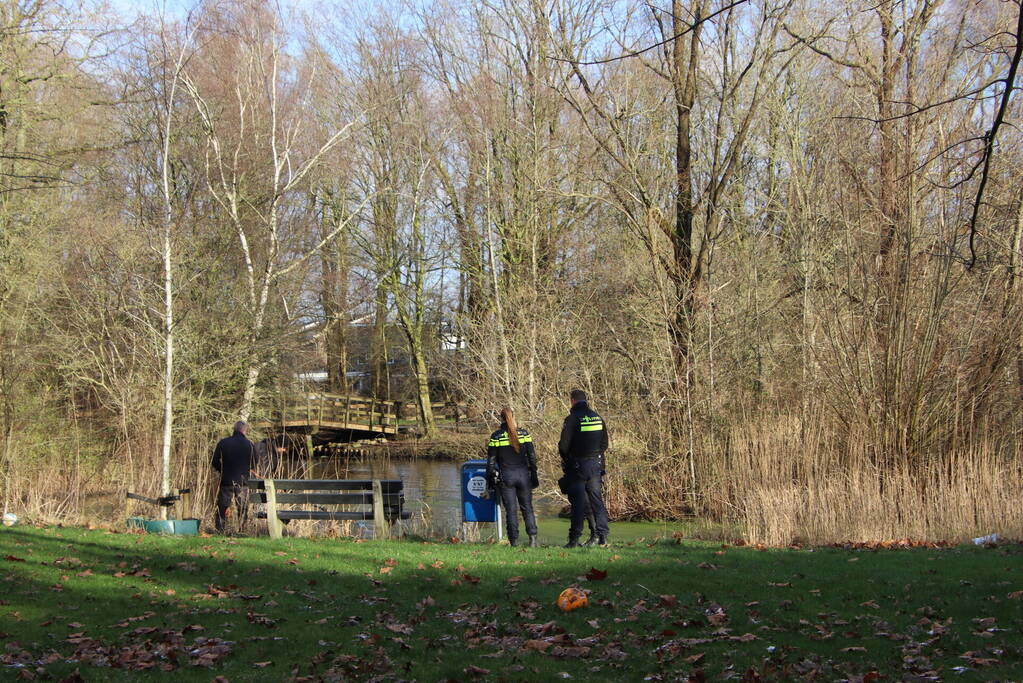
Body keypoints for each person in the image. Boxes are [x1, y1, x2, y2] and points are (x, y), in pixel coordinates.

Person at [559, 389, 610, 548]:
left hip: (578, 466)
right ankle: (602, 537)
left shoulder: (572, 419)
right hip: (595, 465)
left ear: (572, 401)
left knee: (578, 503)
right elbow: (604, 444)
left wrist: (568, 458)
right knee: (596, 501)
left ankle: (574, 539)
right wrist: (595, 456)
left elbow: (564, 446)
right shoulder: (597, 417)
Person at [486, 407, 539, 547]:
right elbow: (532, 457)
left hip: (506, 477)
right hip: (523, 476)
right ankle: (533, 539)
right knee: (527, 508)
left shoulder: (496, 436)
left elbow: (491, 461)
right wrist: (534, 475)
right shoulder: (524, 434)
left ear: (501, 418)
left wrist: (490, 482)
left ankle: (514, 541)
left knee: (511, 510)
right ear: (513, 417)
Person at [212, 421, 257, 533]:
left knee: (222, 506)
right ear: (245, 430)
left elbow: (214, 461)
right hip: (243, 482)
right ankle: (242, 530)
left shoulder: (223, 443)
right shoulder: (249, 444)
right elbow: (255, 462)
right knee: (242, 508)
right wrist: (247, 469)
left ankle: (220, 529)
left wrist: (222, 470)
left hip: (226, 480)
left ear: (234, 429)